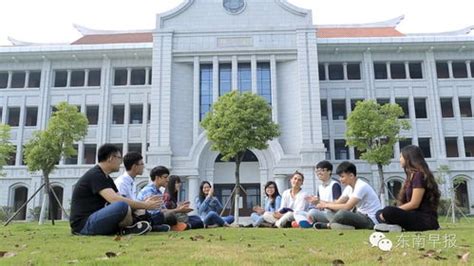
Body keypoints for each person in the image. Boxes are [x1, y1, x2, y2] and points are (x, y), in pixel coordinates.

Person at [70, 144, 162, 236]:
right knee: (122, 205)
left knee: (131, 207)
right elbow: (115, 200)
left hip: (96, 218)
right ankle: (132, 226)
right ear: (111, 158)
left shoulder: (107, 178)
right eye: (119, 158)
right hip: (83, 225)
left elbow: (120, 198)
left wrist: (142, 206)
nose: (121, 162)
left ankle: (134, 226)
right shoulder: (96, 175)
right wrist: (145, 205)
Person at [374, 145, 441, 232]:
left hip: (425, 219)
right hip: (413, 215)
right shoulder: (410, 176)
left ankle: (393, 226)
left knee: (387, 211)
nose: (400, 159)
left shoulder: (419, 176)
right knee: (379, 212)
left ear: (408, 158)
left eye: (401, 156)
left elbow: (414, 204)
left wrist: (395, 210)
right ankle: (394, 226)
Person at [314, 161, 381, 230]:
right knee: (330, 212)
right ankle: (342, 226)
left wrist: (325, 205)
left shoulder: (361, 186)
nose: (340, 179)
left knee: (342, 213)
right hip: (358, 215)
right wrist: (320, 202)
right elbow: (337, 203)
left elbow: (347, 207)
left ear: (351, 176)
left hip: (370, 220)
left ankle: (328, 225)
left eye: (342, 177)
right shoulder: (349, 187)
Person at [115, 152, 170, 232]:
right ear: (134, 166)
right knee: (161, 216)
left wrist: (144, 204)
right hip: (127, 217)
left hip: (136, 214)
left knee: (161, 216)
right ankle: (146, 226)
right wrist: (144, 204)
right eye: (142, 164)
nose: (144, 166)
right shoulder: (122, 183)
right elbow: (122, 207)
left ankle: (149, 226)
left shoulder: (132, 182)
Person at [136, 166, 187, 231]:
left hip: (158, 217)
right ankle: (155, 227)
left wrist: (179, 209)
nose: (168, 180)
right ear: (157, 178)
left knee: (195, 219)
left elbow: (164, 210)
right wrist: (178, 210)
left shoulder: (159, 192)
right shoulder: (148, 190)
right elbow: (154, 213)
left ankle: (168, 227)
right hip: (148, 218)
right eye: (165, 177)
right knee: (170, 217)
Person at [306, 160, 342, 225]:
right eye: (317, 171)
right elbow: (319, 204)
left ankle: (312, 223)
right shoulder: (320, 187)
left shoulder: (335, 185)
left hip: (331, 214)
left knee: (312, 212)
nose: (319, 173)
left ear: (329, 171)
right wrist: (314, 203)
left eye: (322, 170)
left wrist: (319, 202)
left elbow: (337, 205)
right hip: (322, 213)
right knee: (301, 212)